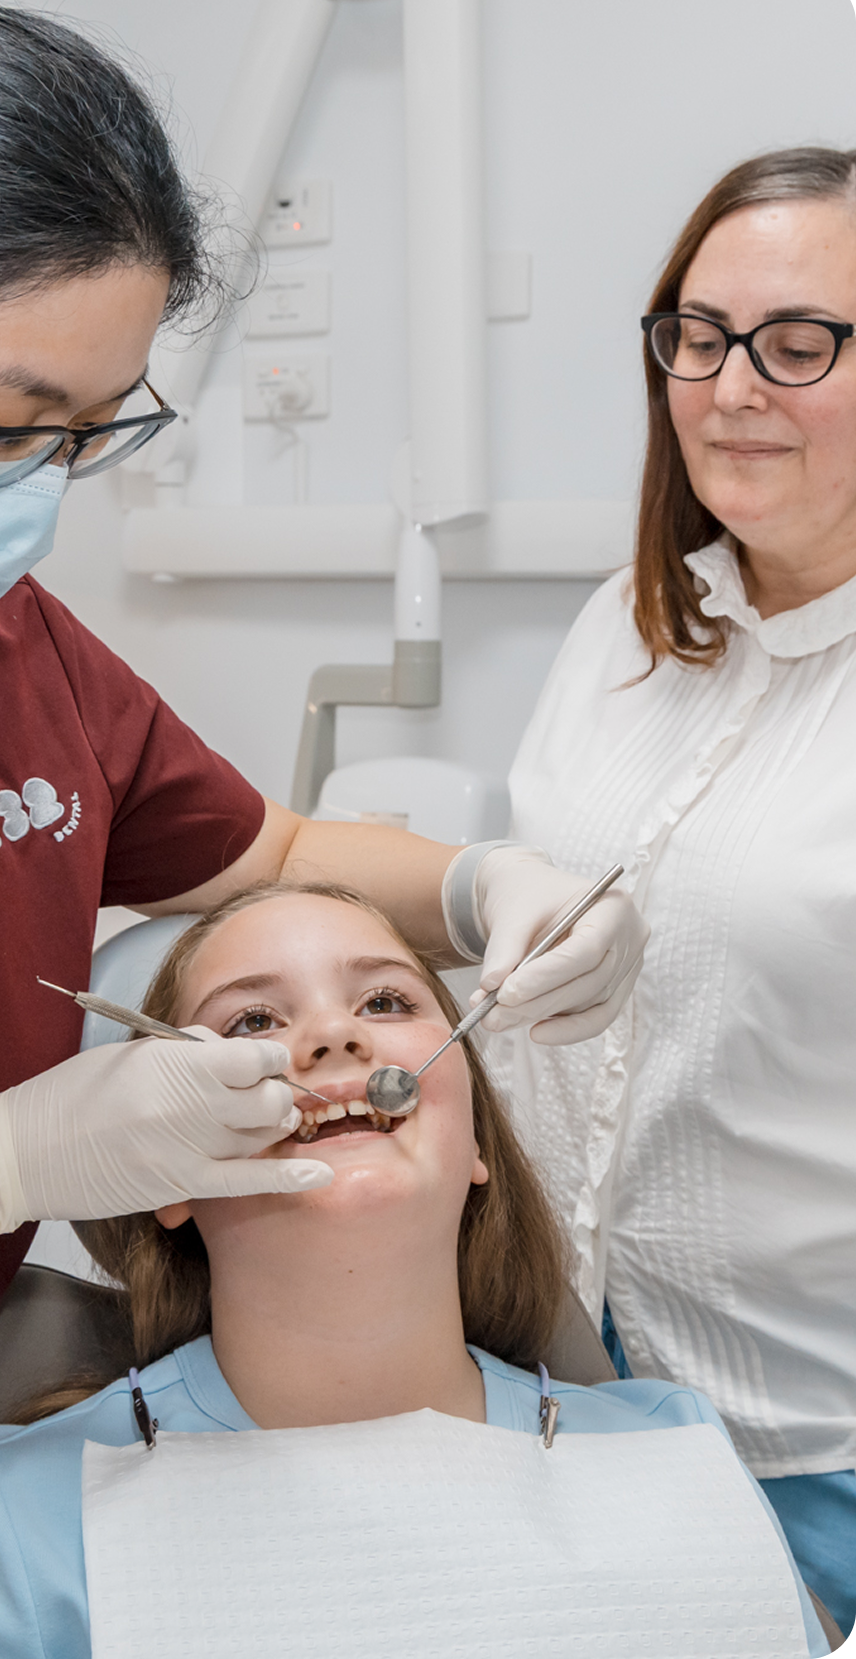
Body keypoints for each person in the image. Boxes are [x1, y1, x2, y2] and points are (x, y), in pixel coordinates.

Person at [0, 0, 648, 1628]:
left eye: (88, 434)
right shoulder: (35, 1529)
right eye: (1, 421)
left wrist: (482, 886)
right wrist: (6, 1150)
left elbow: (282, 853)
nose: (35, 489)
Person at [0, 882, 826, 1659]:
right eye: (250, 1023)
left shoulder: (677, 1451)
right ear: (162, 1175)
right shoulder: (20, 1511)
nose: (332, 1037)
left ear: (476, 1136)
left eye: (386, 1000)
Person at [492, 146, 856, 1641]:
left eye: (801, 341)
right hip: (561, 1376)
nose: (728, 386)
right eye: (696, 336)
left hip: (814, 1428)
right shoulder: (625, 627)